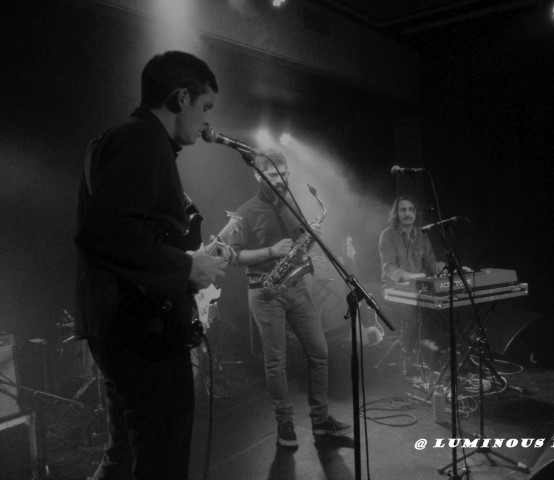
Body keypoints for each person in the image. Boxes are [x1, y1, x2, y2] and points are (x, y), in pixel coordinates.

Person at [75, 51, 230, 480]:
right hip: (140, 331)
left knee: (124, 452)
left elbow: (125, 230)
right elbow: (107, 233)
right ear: (181, 98)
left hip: (117, 325)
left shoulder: (120, 138)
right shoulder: (141, 139)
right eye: (205, 107)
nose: (206, 120)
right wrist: (186, 268)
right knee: (162, 457)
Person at [228, 149, 351, 448]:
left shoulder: (292, 205)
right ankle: (284, 423)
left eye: (283, 174)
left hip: (297, 286)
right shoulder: (245, 211)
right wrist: (271, 251)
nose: (280, 180)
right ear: (258, 175)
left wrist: (311, 238)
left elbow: (300, 249)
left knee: (319, 352)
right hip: (265, 290)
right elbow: (234, 257)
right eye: (273, 175)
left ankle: (320, 419)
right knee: (276, 363)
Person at [378, 195, 446, 379]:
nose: (407, 213)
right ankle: (407, 357)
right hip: (394, 290)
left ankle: (431, 355)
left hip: (418, 289)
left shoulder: (422, 235)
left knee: (440, 311)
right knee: (415, 318)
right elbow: (389, 268)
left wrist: (449, 269)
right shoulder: (387, 235)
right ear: (396, 213)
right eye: (403, 210)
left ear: (416, 213)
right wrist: (412, 276)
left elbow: (432, 263)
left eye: (411, 210)